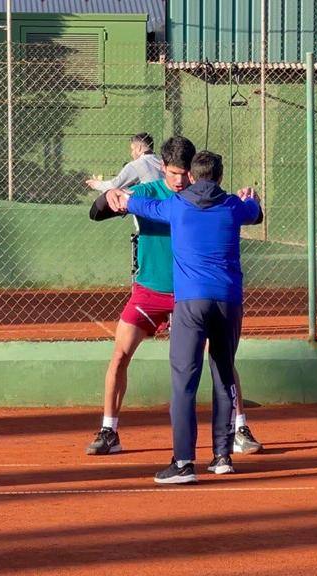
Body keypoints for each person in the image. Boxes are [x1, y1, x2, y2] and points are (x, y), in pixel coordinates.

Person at [87, 137, 263, 457]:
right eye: (173, 173)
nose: (179, 180)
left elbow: (246, 211)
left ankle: (239, 428)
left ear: (194, 172)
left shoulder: (209, 198)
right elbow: (96, 213)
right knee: (120, 355)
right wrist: (108, 195)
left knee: (223, 361)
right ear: (162, 169)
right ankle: (109, 430)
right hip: (150, 292)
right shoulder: (148, 193)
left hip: (192, 295)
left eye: (185, 173)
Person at [85, 133, 163, 192]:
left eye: (132, 149)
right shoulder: (162, 161)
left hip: (149, 209)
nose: (131, 153)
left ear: (139, 148)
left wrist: (97, 184)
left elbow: (114, 185)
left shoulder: (137, 164)